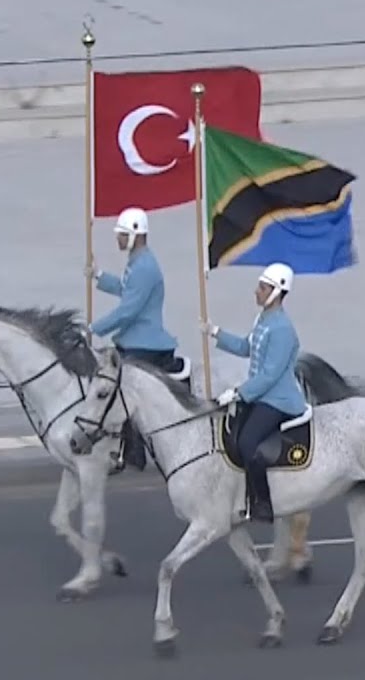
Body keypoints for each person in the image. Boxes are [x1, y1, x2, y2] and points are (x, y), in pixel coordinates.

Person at [201, 262, 307, 523]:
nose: (256, 291)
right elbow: (247, 348)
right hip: (260, 395)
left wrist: (237, 393)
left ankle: (262, 503)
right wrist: (216, 333)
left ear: (277, 292)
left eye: (263, 287)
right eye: (260, 286)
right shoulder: (263, 320)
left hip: (279, 400)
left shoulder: (281, 329)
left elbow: (269, 376)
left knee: (248, 443)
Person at [85, 207, 181, 471]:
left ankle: (133, 453)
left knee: (121, 391)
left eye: (122, 234)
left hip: (145, 343)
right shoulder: (138, 262)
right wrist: (99, 276)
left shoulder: (144, 267)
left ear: (136, 235)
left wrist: (93, 329)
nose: (117, 239)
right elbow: (128, 289)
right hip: (133, 339)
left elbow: (128, 310)